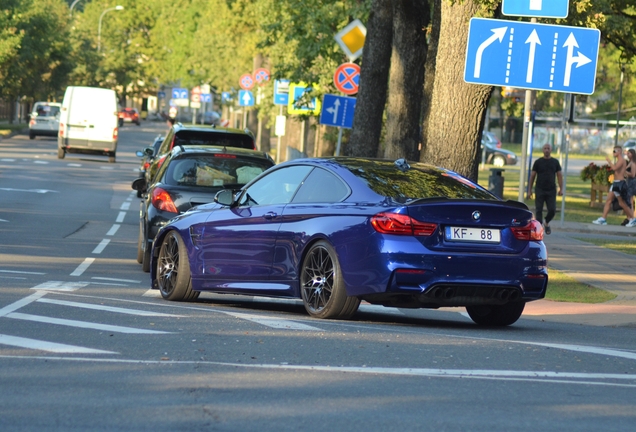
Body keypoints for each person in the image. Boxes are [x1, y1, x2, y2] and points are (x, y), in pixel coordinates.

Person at [592, 145, 636, 227]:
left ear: (619, 152)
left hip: (619, 183)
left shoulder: (621, 160)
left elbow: (615, 168)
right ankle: (603, 219)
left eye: (615, 151)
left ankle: (632, 219)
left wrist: (609, 161)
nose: (613, 153)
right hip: (615, 183)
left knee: (622, 203)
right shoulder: (619, 160)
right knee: (609, 201)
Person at [527, 144, 563, 235]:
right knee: (538, 210)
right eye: (545, 148)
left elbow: (559, 176)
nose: (547, 150)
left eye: (548, 148)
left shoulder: (555, 162)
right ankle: (539, 229)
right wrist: (529, 190)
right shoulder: (538, 162)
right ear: (542, 150)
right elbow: (532, 176)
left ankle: (546, 222)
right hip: (540, 189)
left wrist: (561, 188)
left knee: (552, 210)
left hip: (551, 190)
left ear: (551, 150)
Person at [621, 148, 636, 225]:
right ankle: (630, 217)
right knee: (629, 200)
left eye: (629, 153)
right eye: (627, 153)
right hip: (629, 182)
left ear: (632, 154)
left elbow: (633, 174)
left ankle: (632, 217)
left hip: (632, 183)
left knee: (630, 201)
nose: (627, 154)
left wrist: (625, 171)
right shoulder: (630, 162)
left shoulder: (633, 163)